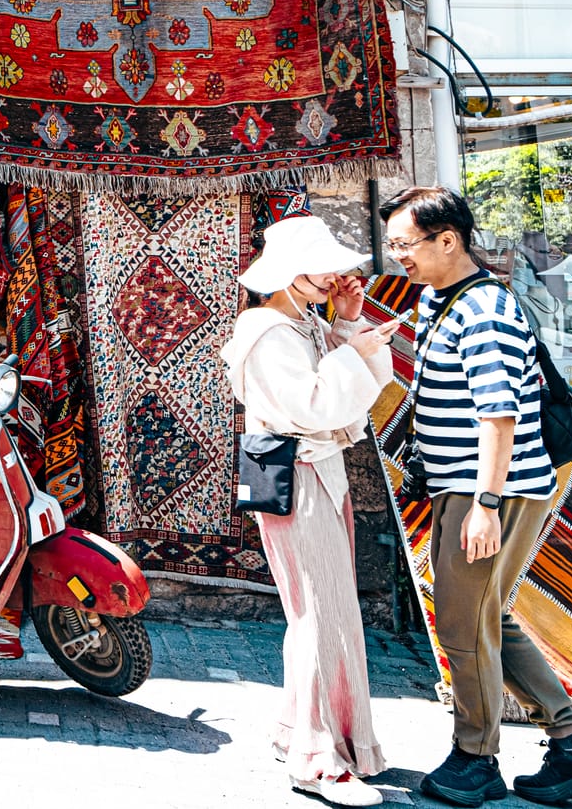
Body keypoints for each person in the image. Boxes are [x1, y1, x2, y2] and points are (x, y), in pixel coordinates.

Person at [379, 187, 572, 807]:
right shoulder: (444, 298)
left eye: (405, 245)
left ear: (448, 240)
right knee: (486, 614)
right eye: (393, 246)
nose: (397, 258)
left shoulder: (483, 308)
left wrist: (486, 506)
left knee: (465, 625)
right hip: (465, 486)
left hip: (489, 489)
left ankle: (476, 759)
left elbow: (499, 415)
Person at [222, 215, 395, 807]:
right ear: (291, 271)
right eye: (322, 266)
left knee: (327, 611)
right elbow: (313, 405)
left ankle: (303, 732)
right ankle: (318, 759)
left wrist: (347, 324)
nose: (335, 275)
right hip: (299, 474)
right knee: (321, 613)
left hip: (318, 473)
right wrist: (355, 346)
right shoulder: (267, 331)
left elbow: (341, 396)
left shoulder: (299, 323)